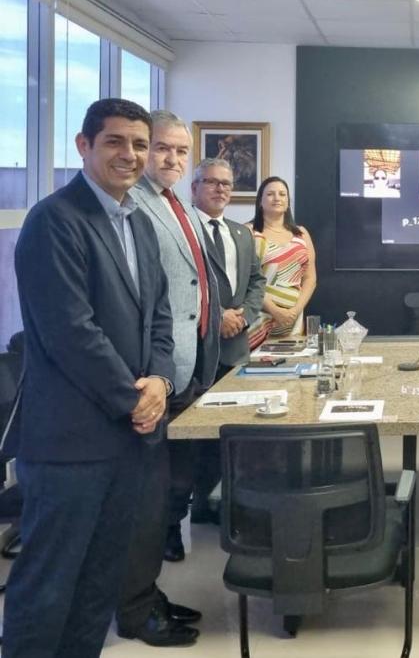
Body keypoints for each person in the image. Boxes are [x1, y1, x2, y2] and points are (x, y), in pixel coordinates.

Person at [1, 98, 174, 656]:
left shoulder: (140, 225)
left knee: (99, 585)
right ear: (84, 146)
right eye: (116, 142)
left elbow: (161, 321)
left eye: (140, 144)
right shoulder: (54, 220)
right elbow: (72, 333)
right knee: (47, 587)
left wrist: (162, 382)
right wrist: (135, 397)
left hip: (128, 441)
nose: (130, 155)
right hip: (70, 446)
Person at [121, 109, 221, 646]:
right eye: (162, 148)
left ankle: (144, 594)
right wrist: (154, 373)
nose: (171, 159)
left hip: (187, 368)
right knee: (144, 498)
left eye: (181, 152)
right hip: (152, 376)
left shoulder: (172, 201)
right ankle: (135, 607)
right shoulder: (127, 205)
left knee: (167, 489)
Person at [186, 157, 266, 525]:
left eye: (227, 184)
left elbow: (256, 283)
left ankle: (230, 506)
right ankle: (192, 510)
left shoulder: (241, 233)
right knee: (194, 439)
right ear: (194, 187)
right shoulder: (183, 230)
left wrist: (244, 316)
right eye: (212, 182)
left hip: (235, 349)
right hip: (197, 350)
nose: (220, 190)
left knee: (233, 432)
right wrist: (216, 317)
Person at [247, 176, 318, 350]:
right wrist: (275, 311)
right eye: (270, 194)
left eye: (282, 194)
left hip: (294, 322)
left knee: (291, 370)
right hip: (259, 320)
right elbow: (245, 281)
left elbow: (310, 278)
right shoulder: (248, 232)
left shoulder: (301, 234)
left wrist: (294, 311)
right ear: (260, 201)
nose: (277, 198)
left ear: (288, 201)